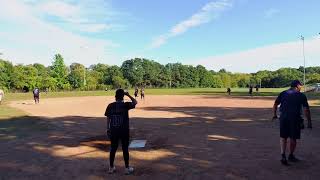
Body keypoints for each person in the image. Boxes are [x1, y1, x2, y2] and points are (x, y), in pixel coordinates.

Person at [272, 80, 312, 165]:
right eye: (301, 86)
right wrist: (309, 122)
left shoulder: (283, 93)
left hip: (283, 118)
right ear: (297, 86)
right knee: (293, 138)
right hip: (295, 119)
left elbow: (275, 104)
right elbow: (306, 110)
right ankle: (291, 155)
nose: (301, 87)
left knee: (283, 137)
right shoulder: (301, 95)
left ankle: (283, 155)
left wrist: (275, 114)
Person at [105, 89, 137, 175]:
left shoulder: (110, 105)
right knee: (125, 149)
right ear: (122, 97)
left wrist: (107, 129)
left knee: (113, 149)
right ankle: (127, 168)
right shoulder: (125, 105)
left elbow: (108, 117)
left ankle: (111, 168)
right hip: (124, 131)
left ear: (115, 96)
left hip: (114, 130)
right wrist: (128, 95)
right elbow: (135, 102)